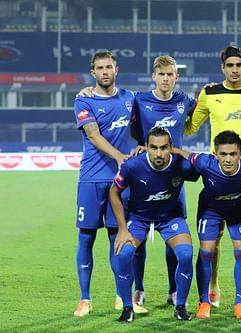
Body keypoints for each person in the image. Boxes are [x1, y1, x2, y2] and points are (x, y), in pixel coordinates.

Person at [185, 45, 241, 308]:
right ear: (222, 68)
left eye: (239, 65)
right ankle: (213, 288)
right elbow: (189, 127)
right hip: (216, 171)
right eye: (229, 65)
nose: (234, 70)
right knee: (215, 234)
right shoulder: (210, 93)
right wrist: (185, 104)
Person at [172, 130, 241, 320]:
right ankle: (204, 302)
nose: (228, 159)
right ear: (215, 154)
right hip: (210, 209)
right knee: (206, 252)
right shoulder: (204, 162)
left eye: (233, 154)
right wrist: (163, 149)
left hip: (238, 209)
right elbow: (183, 153)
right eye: (223, 154)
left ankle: (240, 304)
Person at [110, 126, 199, 322]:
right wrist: (123, 229)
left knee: (185, 255)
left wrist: (180, 153)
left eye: (164, 148)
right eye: (154, 147)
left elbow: (200, 165)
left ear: (171, 147)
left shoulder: (181, 165)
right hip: (139, 219)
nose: (159, 153)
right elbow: (113, 192)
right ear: (146, 147)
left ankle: (181, 306)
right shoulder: (133, 165)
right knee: (124, 255)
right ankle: (127, 308)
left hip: (170, 219)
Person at [73, 50, 135, 317]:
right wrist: (119, 156)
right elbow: (93, 134)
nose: (105, 72)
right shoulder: (83, 100)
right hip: (90, 179)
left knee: (116, 238)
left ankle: (122, 297)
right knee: (86, 237)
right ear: (93, 72)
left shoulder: (130, 99)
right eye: (100, 68)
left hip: (119, 182)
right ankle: (85, 298)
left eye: (109, 67)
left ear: (116, 69)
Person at [131, 55, 197, 309]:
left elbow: (203, 106)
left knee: (174, 235)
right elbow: (124, 120)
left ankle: (173, 290)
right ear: (154, 76)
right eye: (162, 74)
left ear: (176, 77)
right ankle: (139, 290)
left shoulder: (184, 101)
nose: (166, 79)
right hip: (144, 176)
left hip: (174, 178)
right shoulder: (138, 100)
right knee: (138, 235)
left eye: (170, 74)